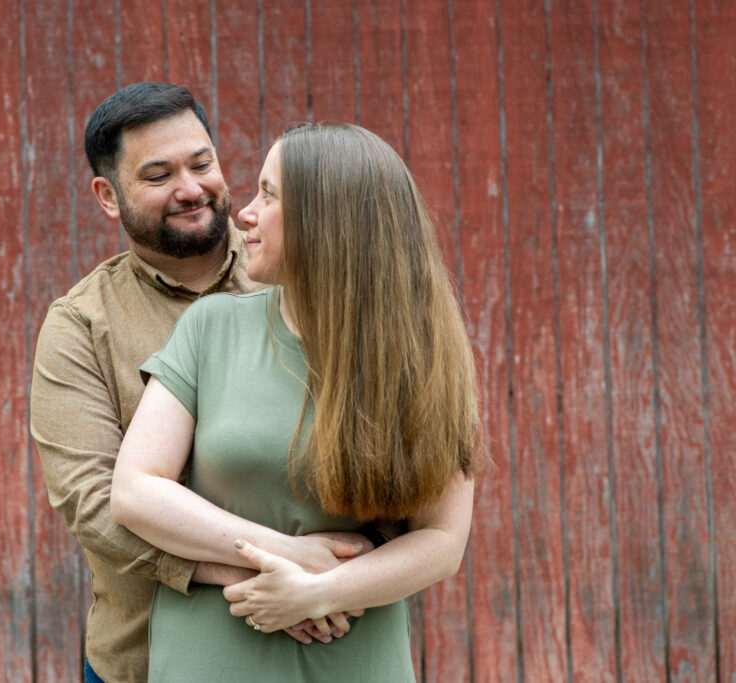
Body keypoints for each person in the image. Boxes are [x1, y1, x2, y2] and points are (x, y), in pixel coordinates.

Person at [111, 123, 489, 681]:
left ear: (326, 221)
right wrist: (285, 556)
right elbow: (135, 491)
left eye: (269, 194)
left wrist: (318, 592)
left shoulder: (425, 356)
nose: (245, 214)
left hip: (356, 661)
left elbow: (441, 541)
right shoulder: (210, 329)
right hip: (212, 661)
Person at [31, 84, 373, 683]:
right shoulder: (81, 326)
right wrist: (269, 569)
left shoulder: (302, 278)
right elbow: (95, 505)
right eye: (159, 174)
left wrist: (341, 575)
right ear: (108, 196)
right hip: (140, 660)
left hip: (326, 643)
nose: (191, 189)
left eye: (202, 162)